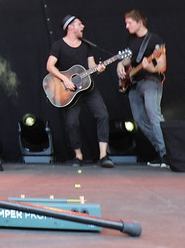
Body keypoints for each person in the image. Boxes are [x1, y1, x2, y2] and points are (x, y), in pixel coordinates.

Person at [45, 15, 114, 168]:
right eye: (79, 24)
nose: (83, 27)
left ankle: (103, 156)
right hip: (70, 91)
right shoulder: (58, 46)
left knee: (103, 115)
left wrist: (99, 68)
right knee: (72, 123)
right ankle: (78, 156)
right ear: (70, 27)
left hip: (88, 87)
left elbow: (92, 65)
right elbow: (50, 66)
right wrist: (65, 79)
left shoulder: (86, 45)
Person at [117, 9, 169, 168]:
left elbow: (162, 66)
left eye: (129, 23)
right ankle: (162, 152)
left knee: (154, 116)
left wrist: (150, 67)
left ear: (140, 22)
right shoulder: (131, 40)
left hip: (151, 81)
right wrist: (120, 64)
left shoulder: (155, 40)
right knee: (140, 120)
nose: (126, 26)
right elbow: (128, 59)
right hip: (134, 84)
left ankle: (167, 154)